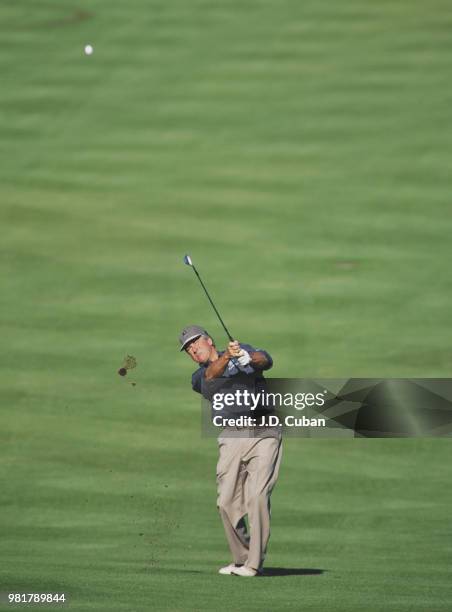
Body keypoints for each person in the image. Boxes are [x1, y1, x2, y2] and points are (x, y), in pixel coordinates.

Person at [179, 324, 283, 577]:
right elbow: (212, 375)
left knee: (257, 496)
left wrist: (247, 357)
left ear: (209, 340)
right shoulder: (199, 377)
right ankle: (241, 558)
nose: (193, 350)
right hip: (231, 436)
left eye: (196, 343)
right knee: (226, 502)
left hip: (263, 431)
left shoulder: (242, 351)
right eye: (188, 349)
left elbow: (266, 360)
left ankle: (253, 564)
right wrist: (228, 356)